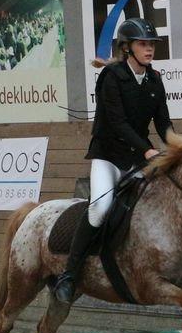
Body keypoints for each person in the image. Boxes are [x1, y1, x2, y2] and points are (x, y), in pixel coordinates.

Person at [53, 17, 173, 303]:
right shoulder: (111, 77)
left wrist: (180, 148)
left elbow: (164, 123)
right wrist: (147, 150)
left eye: (151, 45)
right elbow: (117, 122)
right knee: (101, 208)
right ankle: (69, 275)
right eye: (143, 44)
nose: (149, 49)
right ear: (128, 48)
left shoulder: (155, 80)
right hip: (108, 157)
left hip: (136, 159)